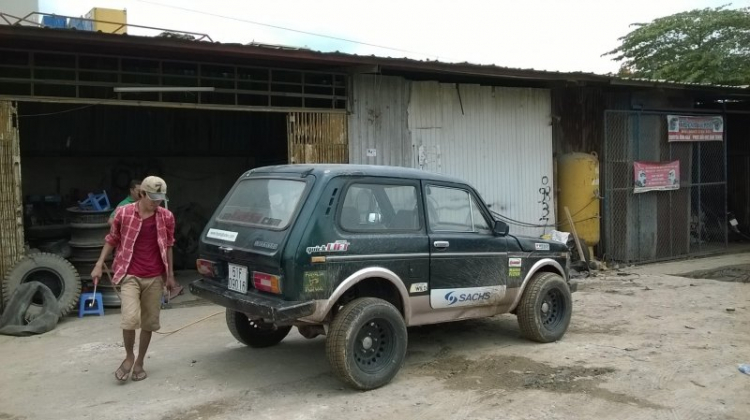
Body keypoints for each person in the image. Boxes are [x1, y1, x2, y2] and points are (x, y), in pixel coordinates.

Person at [91, 175, 177, 382]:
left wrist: (170, 276)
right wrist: (98, 264)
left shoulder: (166, 216)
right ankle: (129, 356)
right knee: (130, 320)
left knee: (148, 323)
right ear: (142, 193)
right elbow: (112, 239)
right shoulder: (124, 213)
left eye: (160, 198)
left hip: (155, 276)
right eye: (153, 198)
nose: (156, 202)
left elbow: (169, 244)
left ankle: (139, 362)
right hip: (130, 273)